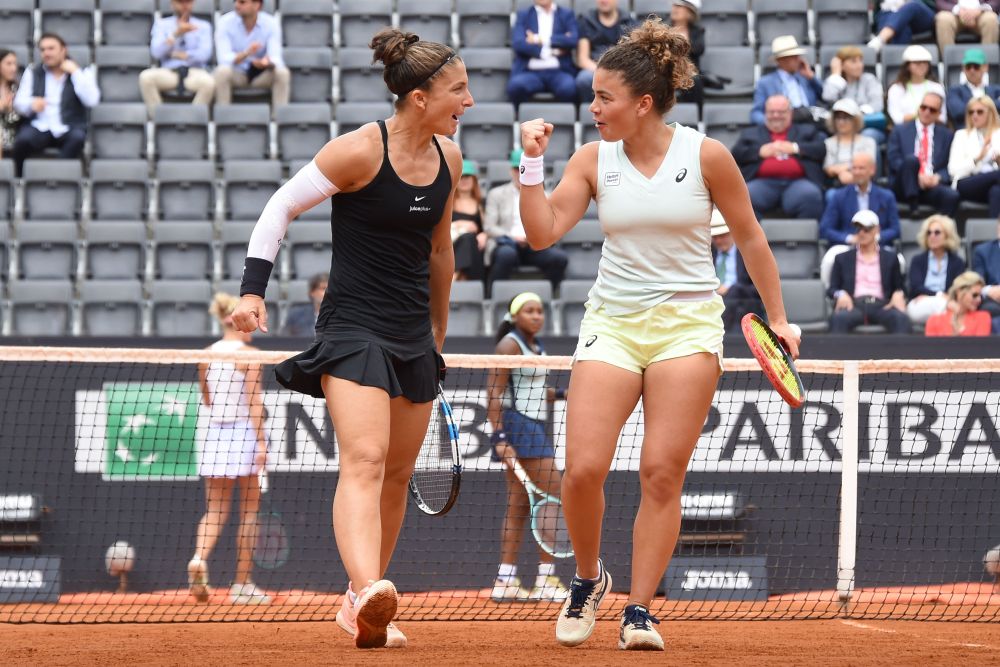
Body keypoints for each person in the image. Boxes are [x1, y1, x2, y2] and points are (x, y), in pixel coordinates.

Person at [517, 17, 799, 651]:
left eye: (603, 99)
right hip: (612, 323)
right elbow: (541, 233)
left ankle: (639, 608)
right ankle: (589, 580)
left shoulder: (706, 156)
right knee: (583, 470)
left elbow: (750, 237)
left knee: (660, 473)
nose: (593, 109)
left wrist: (777, 317)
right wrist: (530, 166)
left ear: (643, 104)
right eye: (592, 97)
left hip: (688, 324)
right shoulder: (592, 159)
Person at [232, 28, 470, 649]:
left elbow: (440, 250)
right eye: (457, 89)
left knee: (396, 472)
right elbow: (279, 208)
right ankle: (370, 588)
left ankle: (357, 605)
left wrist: (439, 330)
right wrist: (252, 291)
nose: (467, 101)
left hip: (413, 334)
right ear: (419, 97)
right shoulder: (359, 150)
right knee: (364, 461)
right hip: (353, 329)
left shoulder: (451, 158)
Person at [188, 293, 271, 606]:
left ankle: (198, 558)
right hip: (244, 434)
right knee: (249, 511)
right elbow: (253, 402)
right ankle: (243, 584)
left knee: (215, 510)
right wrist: (262, 443)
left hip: (214, 433)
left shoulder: (206, 355)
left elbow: (207, 399)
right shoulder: (248, 355)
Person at [487, 292, 568, 604]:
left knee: (519, 505)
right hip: (519, 426)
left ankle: (505, 579)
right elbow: (494, 392)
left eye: (540, 311)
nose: (537, 316)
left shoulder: (536, 345)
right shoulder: (509, 344)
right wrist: (498, 437)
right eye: (529, 311)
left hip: (530, 424)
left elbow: (535, 390)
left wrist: (562, 394)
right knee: (553, 498)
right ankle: (546, 579)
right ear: (515, 316)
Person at [11, 33, 100, 175]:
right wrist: (31, 104)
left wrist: (75, 73)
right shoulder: (33, 72)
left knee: (77, 138)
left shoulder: (82, 72)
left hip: (68, 127)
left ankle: (57, 177)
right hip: (40, 126)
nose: (46, 53)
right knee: (22, 141)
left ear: (63, 50)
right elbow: (19, 103)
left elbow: (92, 100)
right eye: (43, 49)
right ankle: (19, 181)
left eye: (51, 48)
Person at [732, 94, 826, 221]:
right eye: (772, 112)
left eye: (781, 112)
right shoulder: (751, 133)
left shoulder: (807, 130)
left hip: (799, 183)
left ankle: (803, 239)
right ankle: (754, 240)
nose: (776, 115)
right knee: (746, 195)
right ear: (765, 113)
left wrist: (794, 148)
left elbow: (821, 149)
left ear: (790, 113)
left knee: (811, 195)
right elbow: (736, 153)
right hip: (761, 184)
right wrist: (759, 151)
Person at [484, 149, 568, 288]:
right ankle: (493, 296)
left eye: (525, 169)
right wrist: (512, 237)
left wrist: (536, 237)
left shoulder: (546, 195)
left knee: (559, 258)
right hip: (508, 243)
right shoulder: (497, 194)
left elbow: (552, 225)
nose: (521, 173)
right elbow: (489, 227)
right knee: (506, 255)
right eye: (518, 169)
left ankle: (547, 295)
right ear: (511, 171)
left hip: (535, 244)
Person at [819, 153, 900, 284]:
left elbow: (895, 229)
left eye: (861, 168)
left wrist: (875, 238)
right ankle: (832, 297)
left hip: (878, 246)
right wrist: (850, 238)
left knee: (899, 260)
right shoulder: (839, 196)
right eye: (854, 168)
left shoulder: (887, 196)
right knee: (830, 259)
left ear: (872, 170)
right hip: (848, 247)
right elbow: (825, 229)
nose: (857, 172)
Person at [827, 210, 911, 334]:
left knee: (900, 318)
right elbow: (832, 289)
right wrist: (840, 294)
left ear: (877, 229)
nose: (861, 232)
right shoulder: (842, 258)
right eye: (858, 228)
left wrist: (899, 294)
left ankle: (902, 354)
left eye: (866, 228)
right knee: (838, 318)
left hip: (882, 305)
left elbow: (900, 287)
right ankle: (836, 354)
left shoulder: (891, 258)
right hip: (853, 305)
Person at [887, 91, 959, 216]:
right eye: (923, 107)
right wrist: (917, 176)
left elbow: (951, 165)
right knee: (912, 161)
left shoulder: (947, 135)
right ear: (919, 108)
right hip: (904, 184)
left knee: (952, 195)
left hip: (930, 184)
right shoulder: (900, 130)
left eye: (932, 110)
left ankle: (940, 230)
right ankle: (914, 207)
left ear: (939, 114)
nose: (926, 112)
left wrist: (938, 177)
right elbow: (894, 160)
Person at [139, 0, 216, 117]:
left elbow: (204, 55)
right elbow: (156, 52)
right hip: (169, 72)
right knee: (145, 78)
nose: (184, 5)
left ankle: (192, 121)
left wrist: (178, 54)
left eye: (188, 2)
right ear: (172, 4)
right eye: (180, 2)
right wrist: (176, 34)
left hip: (194, 72)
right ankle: (160, 122)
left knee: (209, 82)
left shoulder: (203, 26)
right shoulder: (161, 24)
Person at [214, 0, 290, 112]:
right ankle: (223, 117)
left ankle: (279, 120)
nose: (237, 5)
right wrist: (246, 53)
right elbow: (223, 58)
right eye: (235, 1)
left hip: (260, 74)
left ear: (257, 5)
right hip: (236, 73)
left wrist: (266, 62)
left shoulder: (271, 23)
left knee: (282, 73)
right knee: (222, 72)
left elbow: (276, 57)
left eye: (242, 2)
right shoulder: (225, 22)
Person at [507, 0, 579, 106]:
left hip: (559, 72)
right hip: (530, 72)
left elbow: (573, 40)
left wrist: (538, 39)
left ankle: (562, 120)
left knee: (569, 87)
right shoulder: (524, 15)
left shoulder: (566, 14)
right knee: (515, 86)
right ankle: (524, 119)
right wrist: (549, 51)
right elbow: (518, 43)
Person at [906, 214, 966, 324]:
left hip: (947, 302)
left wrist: (945, 299)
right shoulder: (918, 260)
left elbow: (958, 288)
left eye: (937, 232)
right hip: (920, 303)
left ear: (947, 235)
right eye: (929, 233)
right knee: (949, 309)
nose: (932, 236)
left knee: (946, 311)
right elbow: (916, 288)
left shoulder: (957, 262)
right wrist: (939, 296)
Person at [750, 36, 822, 126]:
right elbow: (756, 114)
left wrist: (811, 77)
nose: (799, 60)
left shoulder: (806, 78)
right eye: (794, 57)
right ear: (782, 60)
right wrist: (773, 123)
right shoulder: (765, 83)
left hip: (810, 123)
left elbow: (825, 96)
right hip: (785, 126)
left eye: (798, 56)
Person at [821, 46, 886, 144]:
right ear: (842, 65)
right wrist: (836, 74)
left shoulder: (869, 79)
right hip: (841, 128)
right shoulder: (834, 81)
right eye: (853, 61)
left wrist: (855, 115)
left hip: (867, 126)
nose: (859, 65)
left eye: (860, 61)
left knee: (867, 137)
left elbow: (877, 104)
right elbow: (828, 97)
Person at [948, 96, 1000, 216]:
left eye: (980, 112)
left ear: (990, 113)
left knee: (996, 191)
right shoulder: (961, 135)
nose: (974, 115)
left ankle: (996, 233)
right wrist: (977, 158)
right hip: (967, 182)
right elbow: (953, 170)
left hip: (993, 183)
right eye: (971, 112)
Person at [575, 0, 636, 103]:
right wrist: (602, 72)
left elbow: (633, 55)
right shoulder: (586, 20)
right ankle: (589, 113)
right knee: (583, 79)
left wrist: (617, 73)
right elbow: (582, 59)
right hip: (593, 68)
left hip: (622, 69)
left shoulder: (628, 22)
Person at [711, 209, 762, 331]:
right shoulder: (707, 253)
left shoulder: (747, 254)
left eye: (722, 236)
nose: (718, 241)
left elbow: (757, 288)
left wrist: (729, 288)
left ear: (732, 234)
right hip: (712, 300)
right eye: (715, 237)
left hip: (741, 304)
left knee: (734, 291)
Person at [822, 99, 878, 195]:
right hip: (837, 186)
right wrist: (847, 171)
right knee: (831, 195)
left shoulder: (868, 142)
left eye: (846, 118)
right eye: (838, 118)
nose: (841, 122)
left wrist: (846, 172)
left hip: (864, 185)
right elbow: (829, 169)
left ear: (855, 120)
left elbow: (869, 166)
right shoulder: (828, 143)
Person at [887, 45, 947, 126]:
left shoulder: (937, 87)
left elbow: (942, 118)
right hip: (905, 131)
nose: (922, 65)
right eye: (917, 63)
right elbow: (898, 119)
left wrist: (920, 116)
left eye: (925, 62)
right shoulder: (896, 89)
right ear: (907, 66)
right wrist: (924, 116)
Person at [925, 270, 992, 335]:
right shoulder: (934, 320)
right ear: (959, 292)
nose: (979, 300)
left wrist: (959, 330)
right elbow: (931, 346)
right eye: (975, 295)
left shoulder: (983, 318)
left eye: (980, 296)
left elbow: (980, 345)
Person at [946, 48, 1000, 128]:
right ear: (963, 68)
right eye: (968, 67)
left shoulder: (996, 90)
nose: (972, 70)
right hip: (966, 135)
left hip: (993, 134)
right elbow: (958, 112)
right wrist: (993, 105)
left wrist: (969, 108)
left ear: (985, 67)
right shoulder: (954, 91)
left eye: (976, 66)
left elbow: (964, 110)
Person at [451, 159, 487, 281]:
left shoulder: (481, 204)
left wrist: (484, 235)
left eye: (467, 176)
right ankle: (456, 277)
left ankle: (455, 279)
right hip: (452, 246)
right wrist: (460, 224)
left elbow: (487, 227)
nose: (464, 180)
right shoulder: (447, 202)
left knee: (470, 239)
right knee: (468, 238)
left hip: (475, 248)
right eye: (461, 177)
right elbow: (438, 227)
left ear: (474, 180)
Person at [668, 0, 704, 106]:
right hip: (667, 70)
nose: (675, 8)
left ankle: (697, 118)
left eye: (679, 6)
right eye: (674, 5)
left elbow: (699, 49)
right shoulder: (663, 28)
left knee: (695, 81)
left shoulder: (697, 31)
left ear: (689, 11)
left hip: (690, 71)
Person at [934, 1, 1000, 54]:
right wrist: (958, 10)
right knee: (943, 19)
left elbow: (996, 2)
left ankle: (987, 64)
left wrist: (979, 10)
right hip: (954, 13)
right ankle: (951, 64)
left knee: (991, 19)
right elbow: (940, 2)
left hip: (981, 12)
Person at [869, 1, 938, 50]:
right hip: (891, 13)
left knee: (911, 5)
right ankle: (898, 66)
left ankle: (880, 39)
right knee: (902, 27)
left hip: (920, 12)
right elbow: (878, 8)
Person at [973, 218, 1000, 316]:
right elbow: (977, 282)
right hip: (993, 299)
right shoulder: (982, 251)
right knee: (988, 309)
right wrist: (989, 290)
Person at [0, 48, 21, 159]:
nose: (13, 68)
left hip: (13, 133)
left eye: (15, 64)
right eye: (8, 64)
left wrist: (10, 109)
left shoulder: (18, 89)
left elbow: (18, 119)